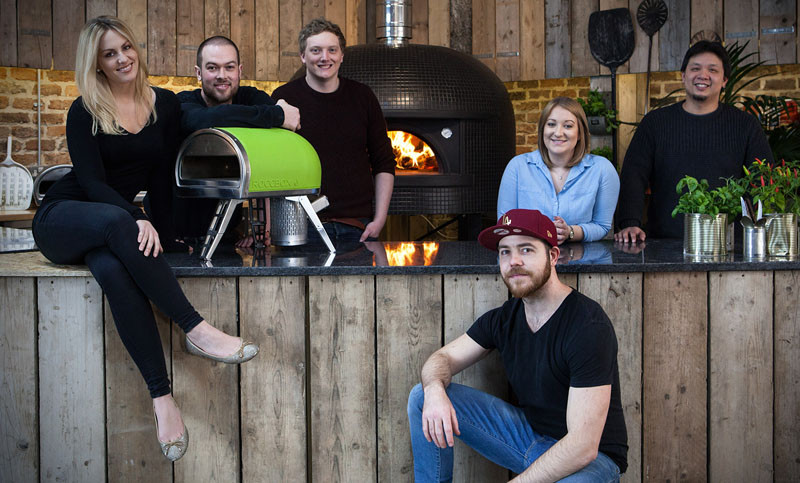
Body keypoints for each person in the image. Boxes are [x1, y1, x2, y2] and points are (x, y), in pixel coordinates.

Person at [31, 17, 259, 462]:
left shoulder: (165, 106)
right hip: (65, 217)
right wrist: (136, 217)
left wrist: (170, 235)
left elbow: (161, 180)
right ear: (95, 64)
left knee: (115, 270)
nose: (122, 59)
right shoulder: (84, 110)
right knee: (119, 227)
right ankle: (197, 329)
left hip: (110, 227)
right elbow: (94, 183)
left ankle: (162, 400)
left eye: (126, 48)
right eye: (109, 54)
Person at [407, 209, 627, 482]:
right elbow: (442, 359)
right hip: (527, 439)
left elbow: (583, 447)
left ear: (553, 256)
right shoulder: (504, 318)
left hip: (592, 463)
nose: (514, 261)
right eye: (505, 252)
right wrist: (434, 389)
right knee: (422, 397)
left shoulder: (587, 326)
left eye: (526, 249)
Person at [615, 40, 774, 242]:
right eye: (695, 68)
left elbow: (763, 181)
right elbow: (633, 176)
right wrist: (630, 223)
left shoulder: (745, 126)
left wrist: (756, 233)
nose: (703, 75)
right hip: (664, 243)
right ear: (683, 76)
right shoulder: (655, 123)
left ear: (724, 80)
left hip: (730, 245)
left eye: (713, 70)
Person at [272, 18, 395, 243]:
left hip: (358, 226)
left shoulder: (363, 97)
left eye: (332, 50)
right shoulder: (284, 99)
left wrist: (379, 220)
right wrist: (271, 225)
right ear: (303, 56)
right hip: (300, 225)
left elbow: (384, 162)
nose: (324, 57)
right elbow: (272, 166)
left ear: (341, 55)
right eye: (316, 50)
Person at [175, 36, 301, 245]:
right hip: (178, 239)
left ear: (240, 71)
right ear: (198, 73)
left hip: (227, 236)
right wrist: (277, 115)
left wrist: (262, 229)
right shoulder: (183, 103)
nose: (222, 76)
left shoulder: (250, 98)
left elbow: (273, 153)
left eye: (229, 67)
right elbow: (207, 119)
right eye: (212, 68)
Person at [497, 97, 619, 244]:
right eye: (551, 124)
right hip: (527, 258)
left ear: (580, 133)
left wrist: (570, 232)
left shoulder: (602, 169)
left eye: (568, 126)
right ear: (543, 130)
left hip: (580, 261)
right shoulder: (517, 167)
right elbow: (504, 223)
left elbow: (602, 226)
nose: (558, 132)